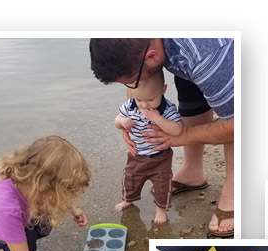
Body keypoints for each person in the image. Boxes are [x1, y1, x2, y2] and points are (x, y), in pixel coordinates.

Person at [89, 38, 234, 237]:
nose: (138, 99)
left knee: (232, 113)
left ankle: (235, 191)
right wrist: (129, 119)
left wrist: (184, 135)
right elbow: (135, 80)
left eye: (132, 81)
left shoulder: (208, 57)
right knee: (190, 90)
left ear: (152, 55)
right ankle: (193, 171)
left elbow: (240, 124)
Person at [114, 70, 182, 224]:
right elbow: (117, 119)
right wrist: (121, 122)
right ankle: (128, 200)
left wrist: (158, 118)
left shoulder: (166, 109)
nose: (144, 105)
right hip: (136, 155)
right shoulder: (131, 106)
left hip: (160, 157)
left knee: (162, 185)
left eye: (151, 99)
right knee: (130, 179)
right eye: (140, 100)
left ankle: (161, 210)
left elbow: (177, 130)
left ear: (163, 90)